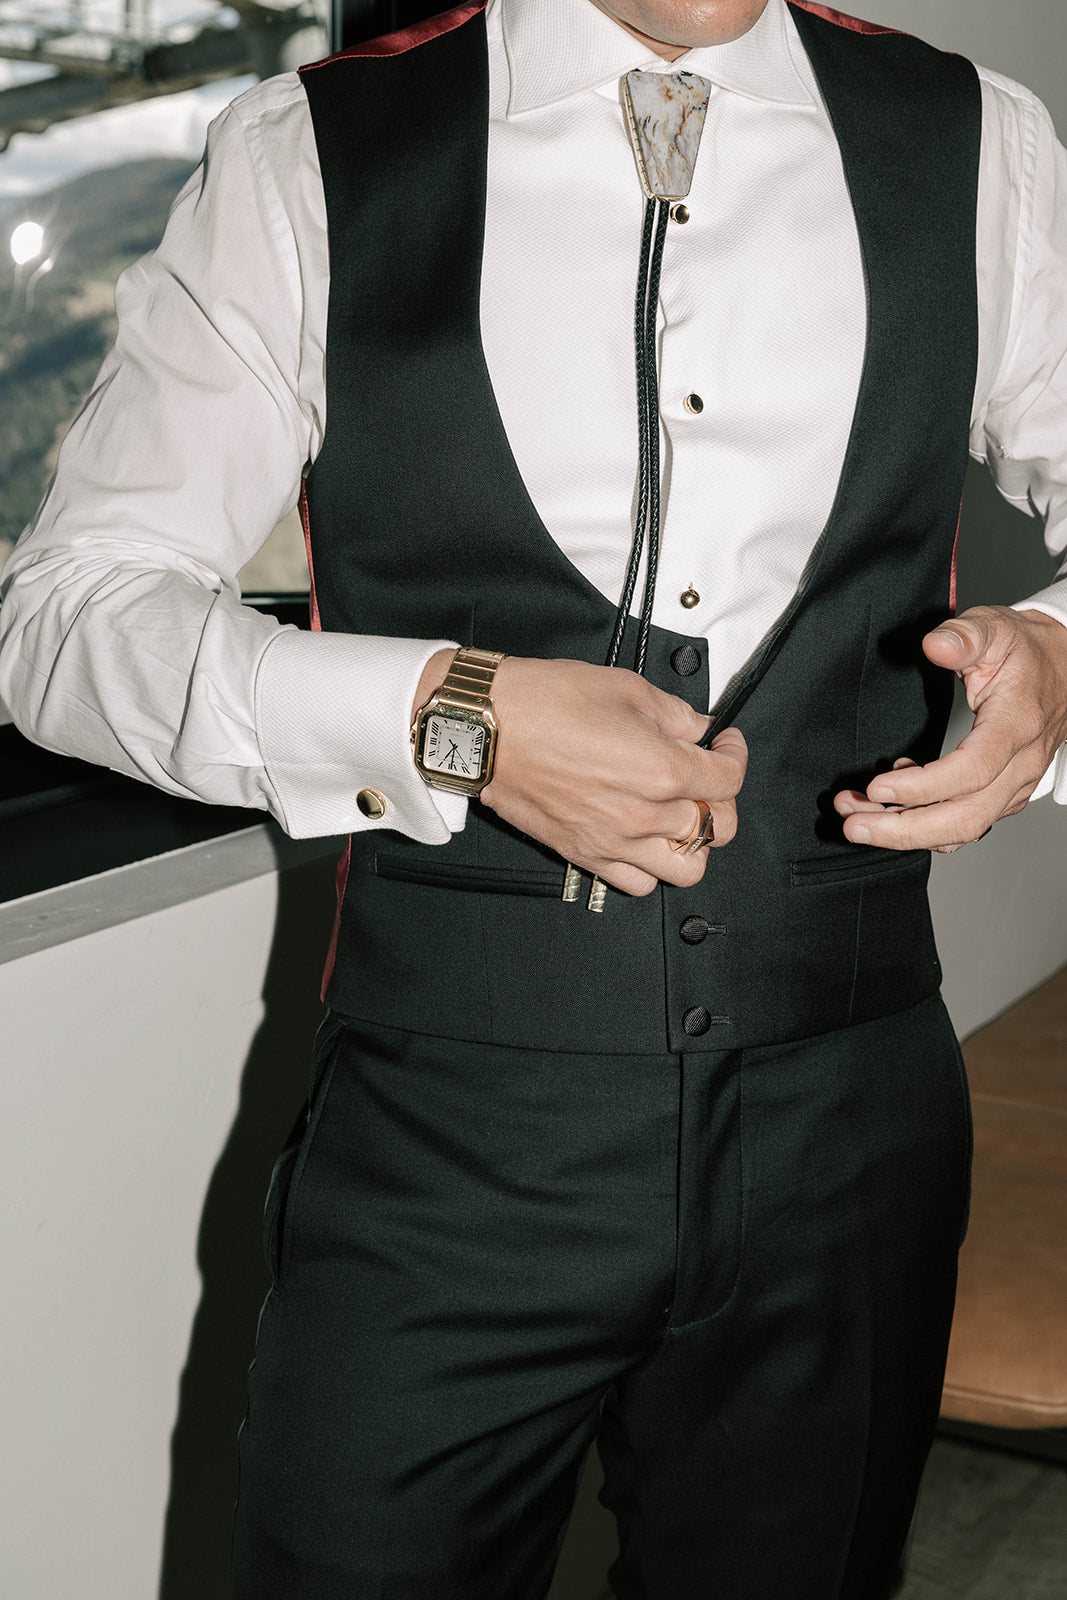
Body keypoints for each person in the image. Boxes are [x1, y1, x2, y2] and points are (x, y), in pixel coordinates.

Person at [2, 0, 1067, 1593]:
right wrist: (453, 715)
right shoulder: (312, 152)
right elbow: (65, 617)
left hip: (851, 1136)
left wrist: (1058, 657)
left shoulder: (981, 141)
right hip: (443, 1153)